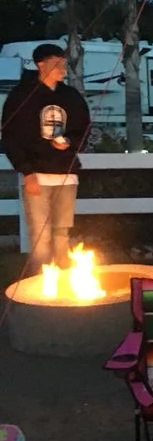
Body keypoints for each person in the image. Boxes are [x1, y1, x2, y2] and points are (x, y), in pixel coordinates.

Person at [1, 43, 91, 275]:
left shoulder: (70, 96)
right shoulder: (22, 96)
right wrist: (27, 172)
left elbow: (84, 127)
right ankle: (39, 283)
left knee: (62, 234)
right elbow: (10, 135)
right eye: (56, 64)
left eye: (64, 64)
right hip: (37, 175)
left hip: (66, 174)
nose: (62, 69)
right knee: (40, 237)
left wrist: (70, 142)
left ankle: (63, 283)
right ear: (41, 65)